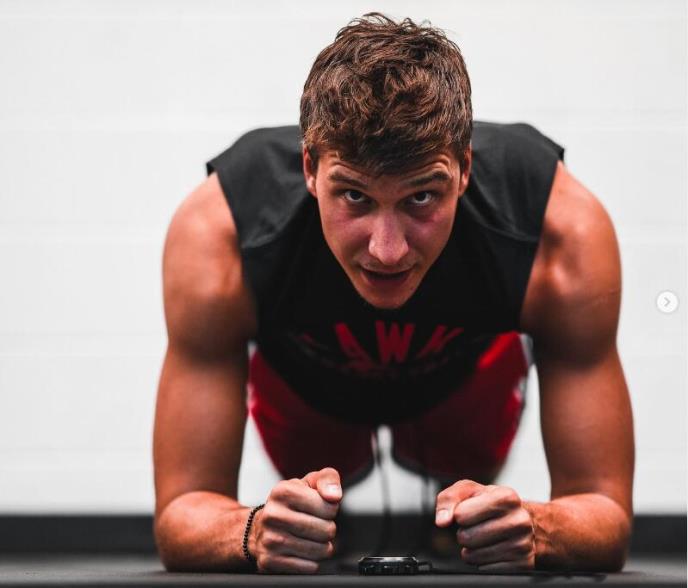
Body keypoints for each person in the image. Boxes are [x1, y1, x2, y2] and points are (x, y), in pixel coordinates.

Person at [152, 13, 634, 574]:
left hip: (459, 392)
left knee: (466, 516)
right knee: (309, 514)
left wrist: (535, 527)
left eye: (421, 197)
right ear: (310, 168)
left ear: (464, 169)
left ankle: (452, 520)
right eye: (354, 196)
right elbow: (182, 512)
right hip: (309, 393)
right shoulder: (223, 231)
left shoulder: (556, 230)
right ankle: (320, 518)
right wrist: (255, 530)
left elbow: (605, 513)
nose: (387, 251)